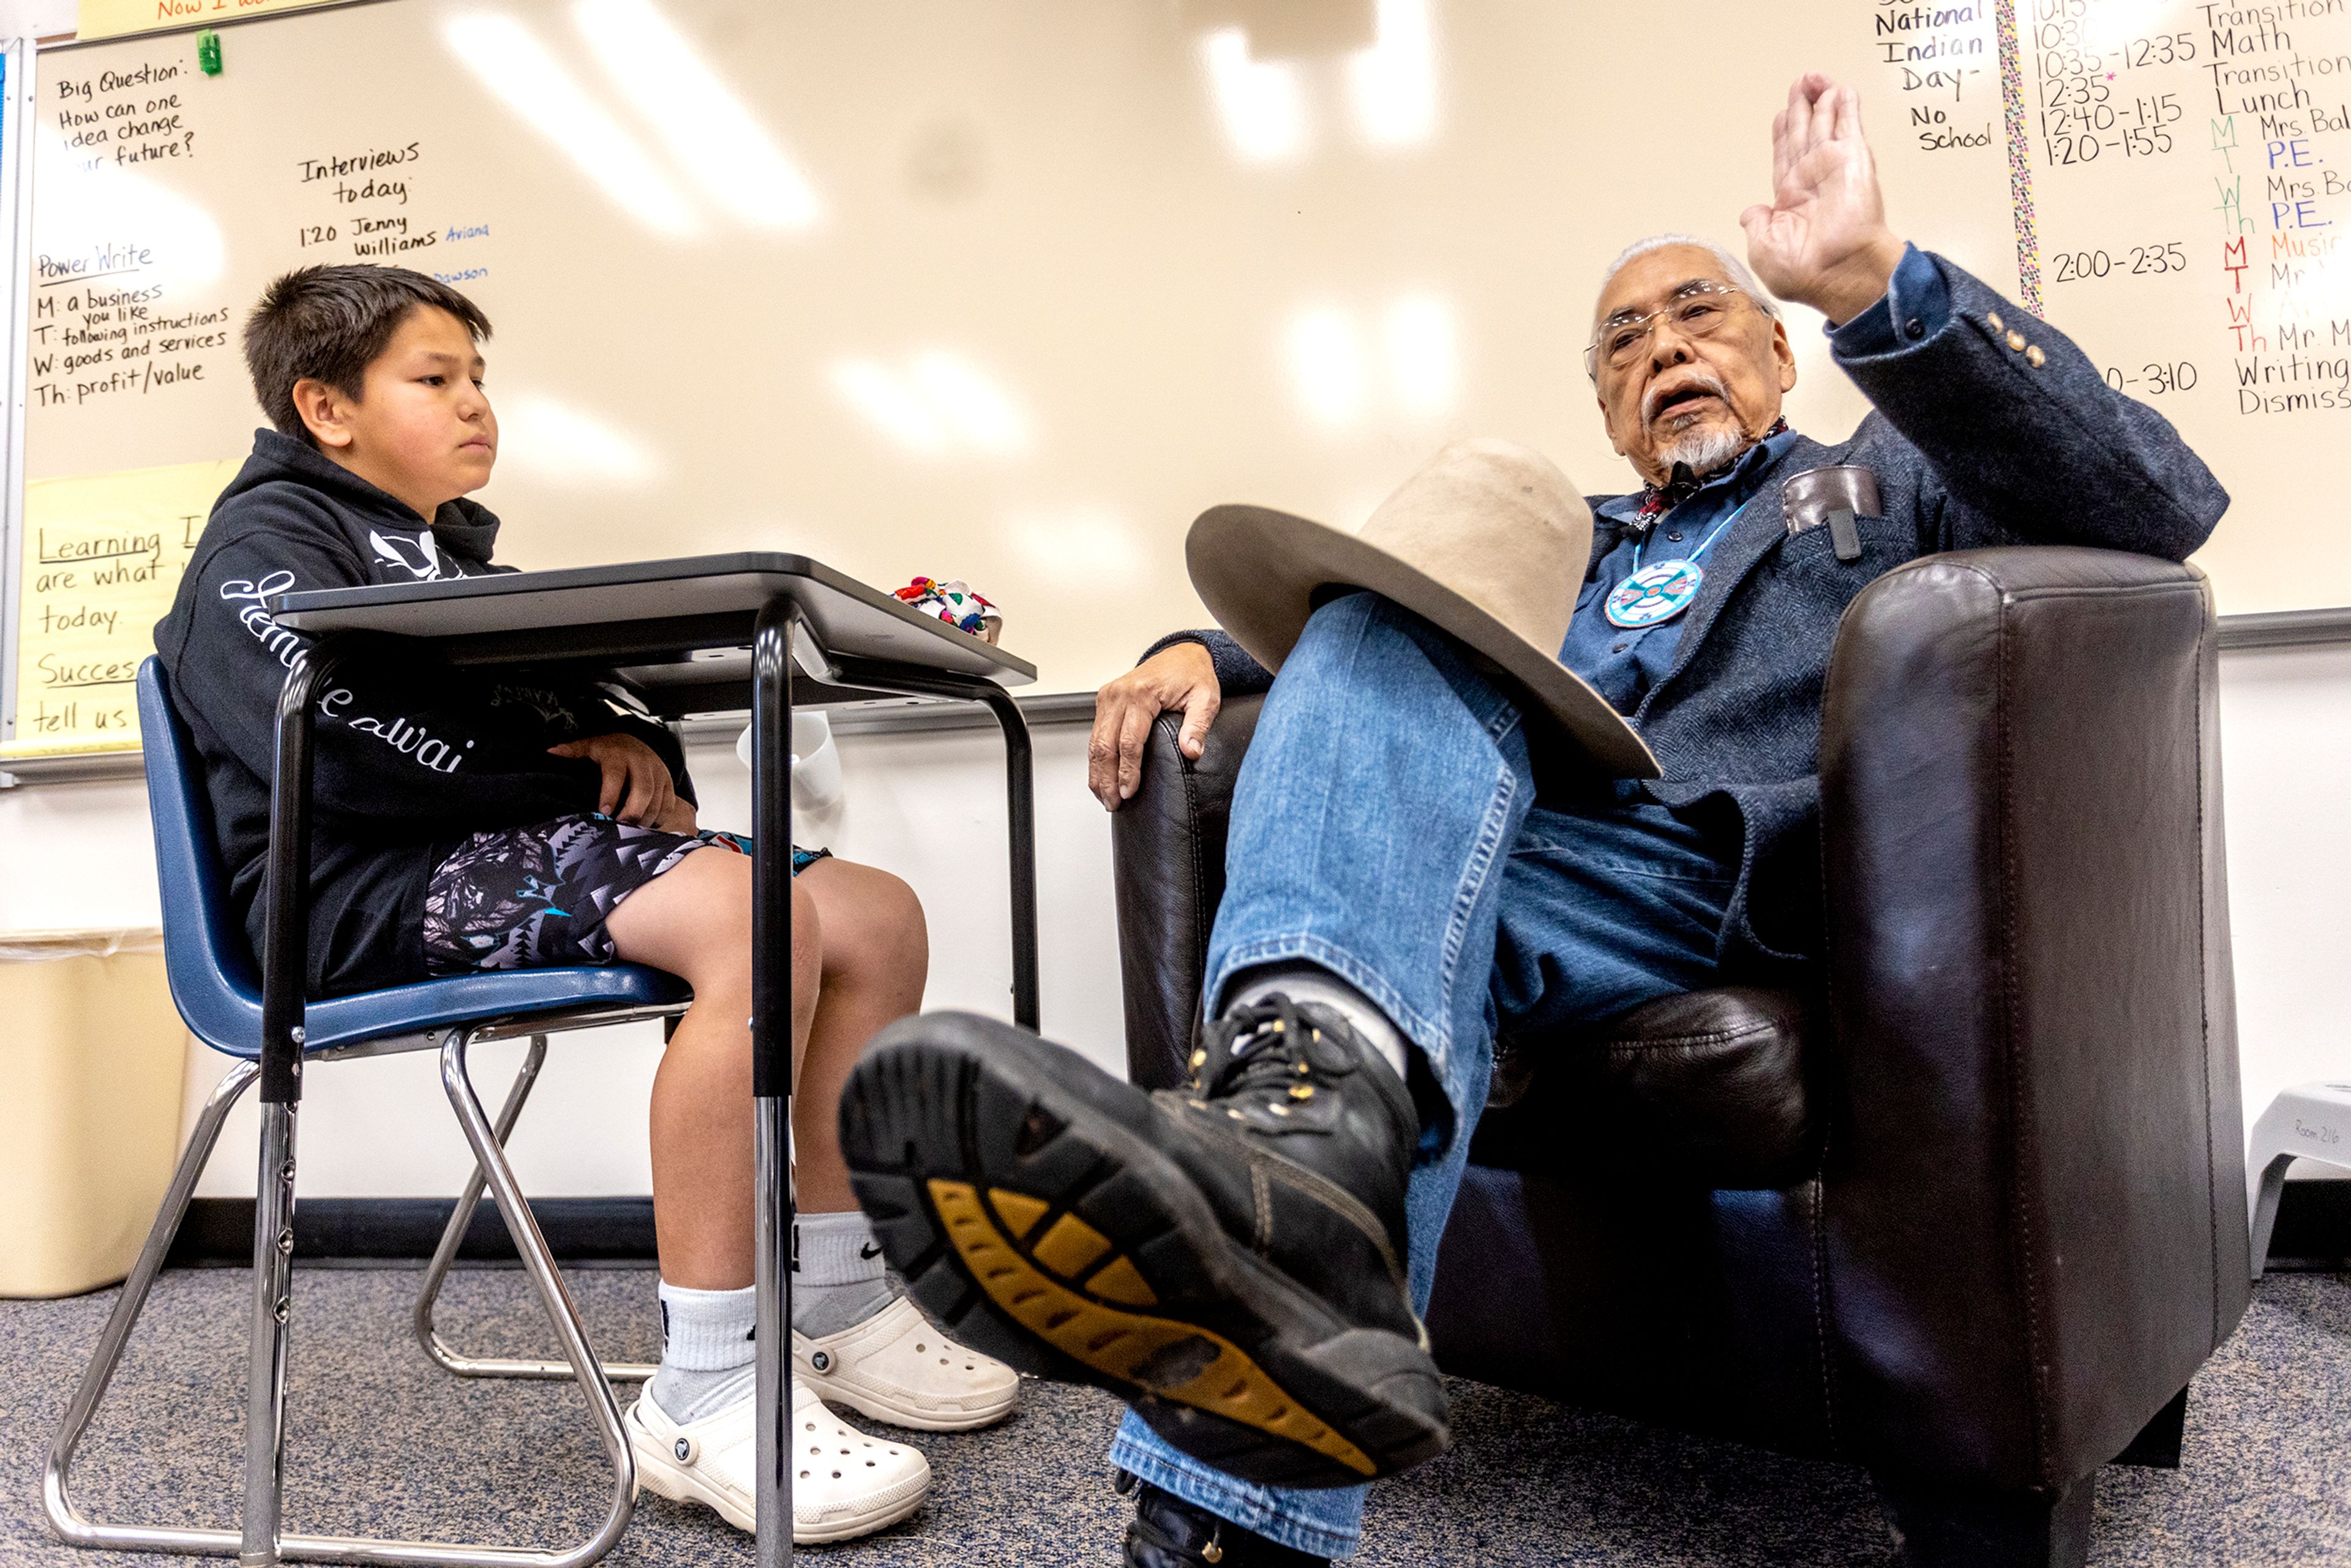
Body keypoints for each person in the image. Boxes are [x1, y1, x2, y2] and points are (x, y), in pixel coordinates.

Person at [838, 73, 2230, 1566]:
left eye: (1699, 312)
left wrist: (1880, 290)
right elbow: (1367, 665)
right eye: (1625, 341)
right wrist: (1206, 651)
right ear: (1608, 405)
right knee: (1377, 601)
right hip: (1507, 858)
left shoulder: (1885, 477)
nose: (1665, 348)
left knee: (1381, 788)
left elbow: (2151, 498)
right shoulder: (1559, 541)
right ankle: (1277, 1299)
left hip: (1714, 868)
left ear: (1777, 349)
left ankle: (1264, 1241)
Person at [151, 263, 1018, 1544]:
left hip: (467, 857)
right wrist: (545, 770)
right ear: (325, 408)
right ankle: (707, 1383)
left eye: (479, 378)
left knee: (876, 914)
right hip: (348, 900)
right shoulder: (262, 551)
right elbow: (337, 739)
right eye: (434, 380)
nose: (475, 406)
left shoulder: (443, 556)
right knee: (746, 919)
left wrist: (633, 749)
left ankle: (831, 1305)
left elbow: (584, 696)